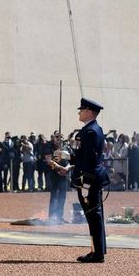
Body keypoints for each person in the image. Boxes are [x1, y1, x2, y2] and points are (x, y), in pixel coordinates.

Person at [70, 98, 109, 263]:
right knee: (94, 215)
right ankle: (97, 250)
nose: (79, 112)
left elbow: (89, 161)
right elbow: (83, 157)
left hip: (89, 179)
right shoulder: (92, 129)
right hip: (90, 177)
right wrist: (69, 164)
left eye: (82, 109)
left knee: (93, 216)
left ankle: (97, 253)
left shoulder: (90, 132)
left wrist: (86, 183)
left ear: (90, 112)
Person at [46, 133, 69, 223]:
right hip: (54, 174)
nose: (59, 139)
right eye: (57, 137)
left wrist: (66, 168)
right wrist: (60, 168)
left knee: (62, 197)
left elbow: (71, 161)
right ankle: (52, 216)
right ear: (54, 139)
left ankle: (60, 216)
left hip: (64, 175)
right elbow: (49, 160)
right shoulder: (49, 147)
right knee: (54, 196)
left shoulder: (66, 148)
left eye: (61, 137)